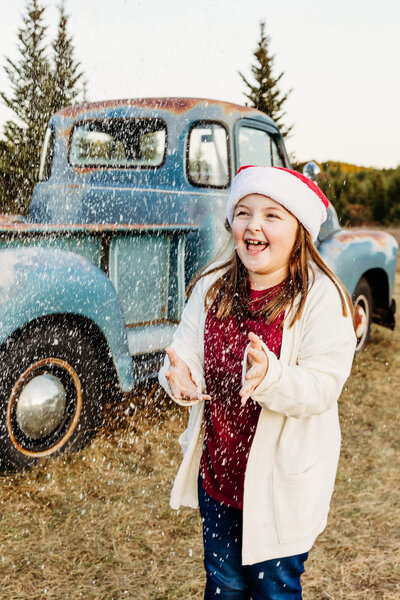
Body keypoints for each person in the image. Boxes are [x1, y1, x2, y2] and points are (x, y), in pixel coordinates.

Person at [158, 165, 356, 600]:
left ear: (299, 229)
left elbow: (323, 385)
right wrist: (180, 375)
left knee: (274, 592)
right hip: (219, 479)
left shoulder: (322, 298)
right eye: (244, 212)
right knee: (224, 586)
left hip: (281, 489)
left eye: (272, 215)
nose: (254, 225)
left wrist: (272, 377)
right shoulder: (212, 286)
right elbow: (183, 349)